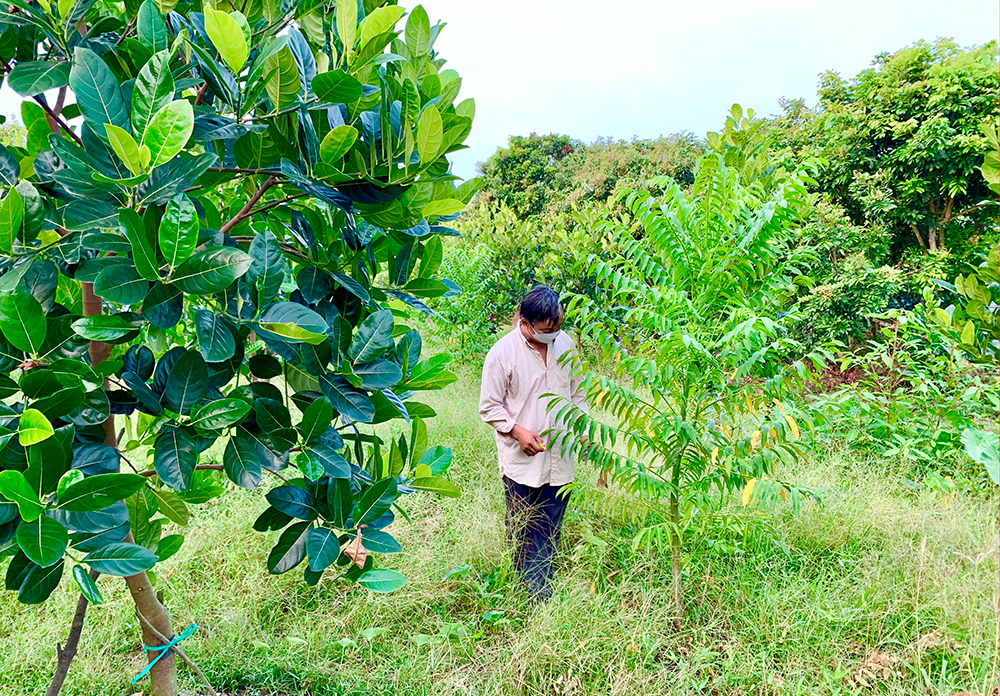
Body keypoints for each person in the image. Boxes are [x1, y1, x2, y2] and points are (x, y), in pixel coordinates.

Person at [478, 285, 589, 602]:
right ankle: (521, 586)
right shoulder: (502, 354)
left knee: (550, 523)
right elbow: (489, 406)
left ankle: (541, 584)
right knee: (522, 524)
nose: (551, 337)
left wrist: (582, 427)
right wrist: (517, 431)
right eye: (544, 331)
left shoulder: (565, 344)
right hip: (521, 460)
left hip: (561, 456)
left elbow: (577, 394)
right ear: (524, 322)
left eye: (556, 329)